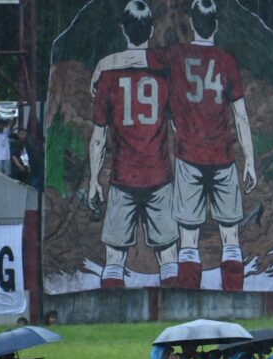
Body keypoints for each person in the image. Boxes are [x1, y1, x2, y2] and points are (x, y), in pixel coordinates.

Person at [88, 0, 180, 288]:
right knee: (169, 255)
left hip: (122, 177)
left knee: (114, 258)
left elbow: (99, 136)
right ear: (151, 30)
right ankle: (174, 318)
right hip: (159, 176)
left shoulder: (108, 76)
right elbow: (179, 126)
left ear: (122, 30)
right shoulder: (165, 72)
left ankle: (110, 321)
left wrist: (93, 180)